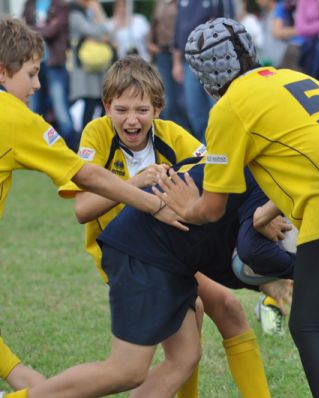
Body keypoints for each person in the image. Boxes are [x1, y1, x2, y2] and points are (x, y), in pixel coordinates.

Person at [155, 17, 319, 398]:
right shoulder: (293, 77)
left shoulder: (230, 107)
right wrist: (266, 212)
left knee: (307, 326)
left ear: (205, 73)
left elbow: (210, 210)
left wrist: (185, 206)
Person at [57, 55, 275, 398]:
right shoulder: (96, 133)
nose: (131, 119)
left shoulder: (172, 136)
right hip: (129, 257)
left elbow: (213, 173)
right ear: (107, 107)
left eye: (142, 110)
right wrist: (138, 183)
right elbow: (82, 209)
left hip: (174, 251)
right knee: (141, 363)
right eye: (122, 109)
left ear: (157, 109)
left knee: (217, 317)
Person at [0, 16, 184, 396]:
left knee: (190, 344)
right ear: (4, 71)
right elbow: (88, 178)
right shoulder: (14, 117)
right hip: (133, 259)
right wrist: (152, 204)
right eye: (32, 74)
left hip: (160, 261)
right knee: (134, 368)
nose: (38, 85)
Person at [8, 158, 294, 398]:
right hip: (144, 251)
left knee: (184, 358)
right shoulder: (268, 175)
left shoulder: (246, 163)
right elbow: (250, 249)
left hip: (169, 257)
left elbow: (221, 253)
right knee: (127, 370)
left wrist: (266, 279)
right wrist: (295, 271)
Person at [172, 0, 235, 142]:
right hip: (188, 62)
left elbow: (230, 27)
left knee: (217, 109)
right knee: (195, 111)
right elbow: (178, 31)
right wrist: (176, 63)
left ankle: (222, 148)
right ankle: (205, 150)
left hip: (214, 61)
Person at [23, 0, 78, 151]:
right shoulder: (30, 3)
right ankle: (34, 151)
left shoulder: (62, 5)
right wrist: (46, 27)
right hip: (34, 64)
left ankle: (72, 151)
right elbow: (24, 29)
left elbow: (52, 31)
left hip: (55, 64)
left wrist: (33, 29)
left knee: (61, 112)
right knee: (33, 110)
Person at [69, 0, 111, 132]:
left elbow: (104, 33)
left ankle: (97, 133)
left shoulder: (86, 14)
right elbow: (98, 31)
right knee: (90, 104)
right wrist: (98, 13)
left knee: (99, 102)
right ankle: (84, 138)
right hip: (85, 69)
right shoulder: (74, 14)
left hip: (94, 68)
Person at [147, 0, 189, 129]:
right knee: (166, 97)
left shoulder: (183, 3)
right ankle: (168, 130)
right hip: (162, 54)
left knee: (183, 98)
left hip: (181, 54)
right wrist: (149, 43)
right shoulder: (160, 3)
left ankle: (185, 131)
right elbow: (154, 25)